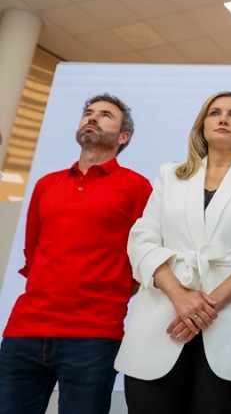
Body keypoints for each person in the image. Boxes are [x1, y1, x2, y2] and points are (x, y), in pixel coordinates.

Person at [115, 91, 231, 414]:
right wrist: (181, 297)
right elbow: (142, 239)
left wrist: (209, 304)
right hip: (163, 316)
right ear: (202, 125)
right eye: (215, 113)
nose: (223, 119)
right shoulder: (170, 173)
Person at [0, 94, 152, 414]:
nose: (92, 118)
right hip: (24, 332)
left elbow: (145, 259)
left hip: (94, 336)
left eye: (105, 115)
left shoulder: (137, 186)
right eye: (88, 113)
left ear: (123, 137)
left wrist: (110, 296)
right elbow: (33, 252)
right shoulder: (45, 184)